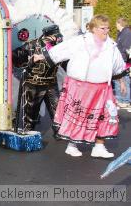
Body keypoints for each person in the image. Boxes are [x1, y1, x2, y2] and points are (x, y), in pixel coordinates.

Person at [34, 15, 129, 158]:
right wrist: (42, 56)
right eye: (103, 28)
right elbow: (62, 50)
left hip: (103, 88)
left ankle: (99, 146)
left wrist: (121, 81)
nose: (106, 31)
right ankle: (72, 145)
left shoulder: (111, 45)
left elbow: (118, 65)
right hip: (81, 86)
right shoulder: (81, 41)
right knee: (79, 115)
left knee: (105, 115)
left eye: (108, 28)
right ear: (94, 29)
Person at [12, 25, 63, 134]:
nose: (58, 39)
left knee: (57, 109)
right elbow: (14, 57)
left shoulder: (59, 47)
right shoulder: (32, 45)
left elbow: (65, 62)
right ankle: (29, 132)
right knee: (31, 112)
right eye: (55, 37)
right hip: (33, 83)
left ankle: (59, 131)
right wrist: (31, 59)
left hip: (51, 83)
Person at [114, 18, 131, 109]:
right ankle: (120, 99)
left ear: (120, 23)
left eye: (116, 23)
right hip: (119, 59)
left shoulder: (126, 33)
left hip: (123, 60)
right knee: (118, 79)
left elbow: (127, 47)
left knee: (125, 79)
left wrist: (121, 53)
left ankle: (125, 100)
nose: (115, 25)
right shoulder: (121, 33)